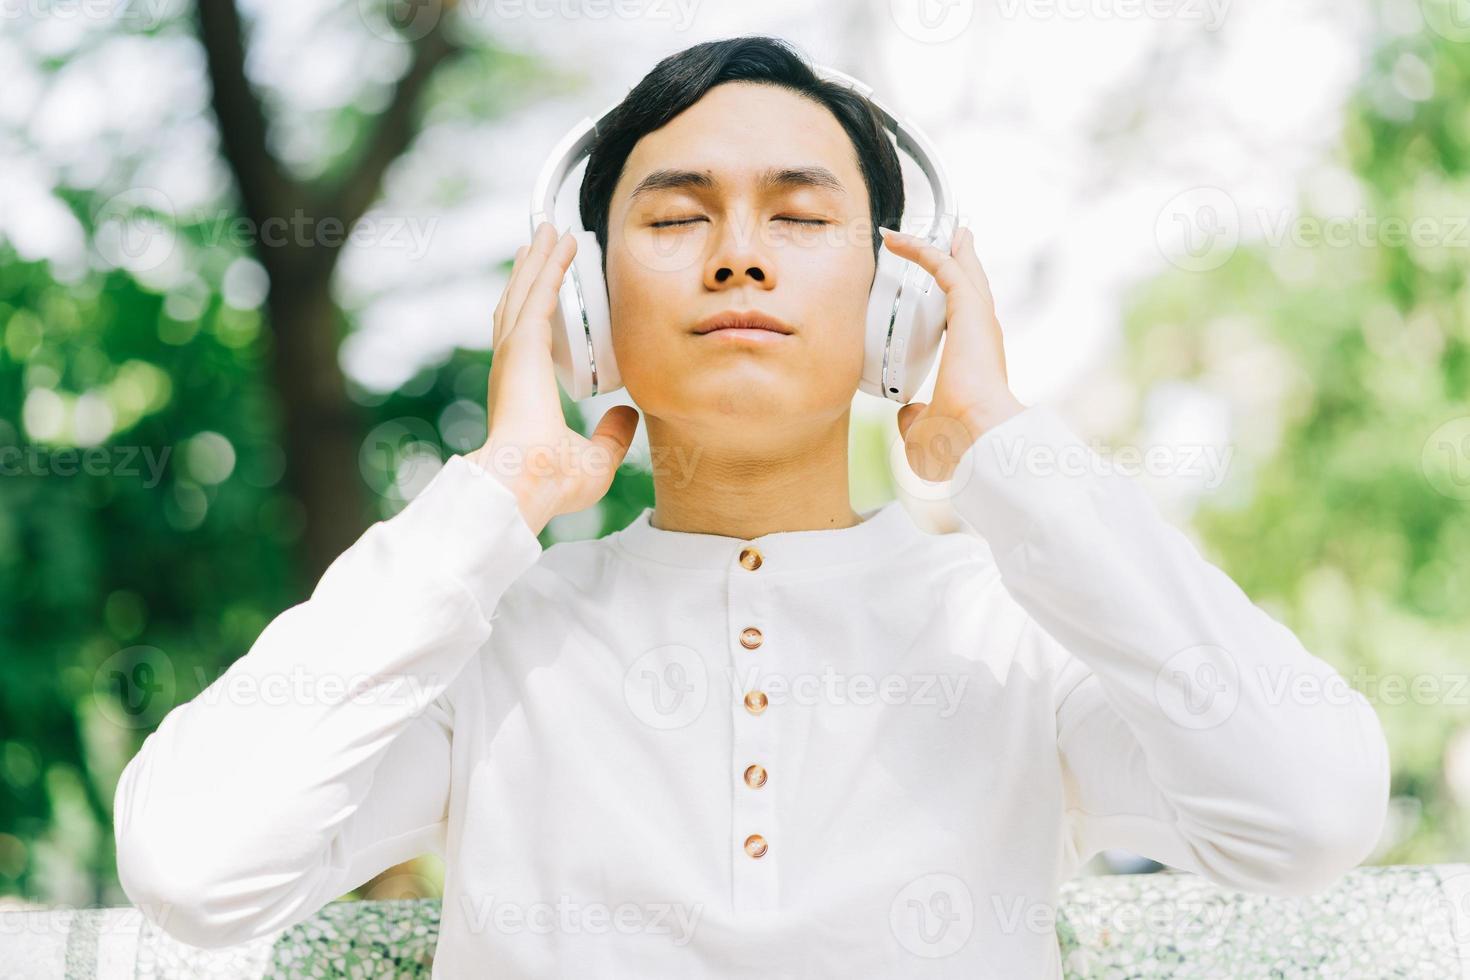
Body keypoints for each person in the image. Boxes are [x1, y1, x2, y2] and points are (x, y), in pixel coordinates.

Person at [113, 35, 1391, 978]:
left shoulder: (1016, 632)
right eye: (675, 216)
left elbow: (1312, 812)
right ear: (584, 310)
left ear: (900, 304)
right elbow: (192, 861)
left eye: (800, 212)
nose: (738, 251)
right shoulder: (489, 637)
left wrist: (1012, 452)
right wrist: (493, 497)